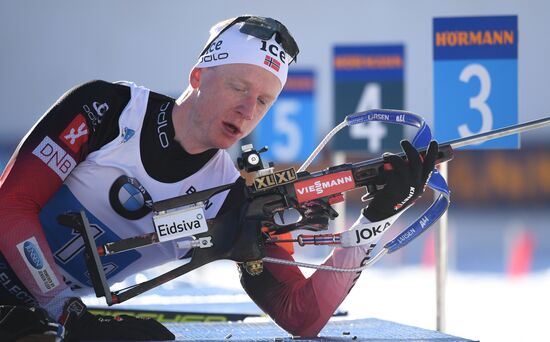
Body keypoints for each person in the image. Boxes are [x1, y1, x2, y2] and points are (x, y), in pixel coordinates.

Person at [0, 15, 438, 341]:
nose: (248, 111)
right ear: (198, 76)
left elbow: (302, 315)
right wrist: (66, 312)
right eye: (238, 87)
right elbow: (10, 206)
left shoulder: (231, 200)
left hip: (30, 316)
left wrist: (376, 219)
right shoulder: (106, 111)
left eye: (264, 101)